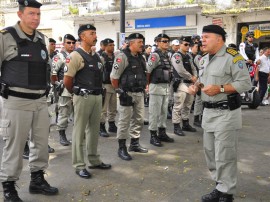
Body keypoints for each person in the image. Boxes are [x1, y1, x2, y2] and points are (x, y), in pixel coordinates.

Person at [0, 0, 59, 201]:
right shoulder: (6, 37)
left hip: (40, 101)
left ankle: (37, 180)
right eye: (31, 14)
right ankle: (9, 187)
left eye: (38, 14)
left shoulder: (42, 39)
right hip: (16, 101)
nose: (35, 18)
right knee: (14, 146)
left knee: (41, 144)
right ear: (20, 14)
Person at [189, 24, 251, 202]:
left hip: (226, 112)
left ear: (219, 38)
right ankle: (219, 185)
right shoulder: (204, 59)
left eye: (206, 37)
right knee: (210, 153)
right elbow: (203, 80)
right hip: (208, 113)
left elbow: (245, 84)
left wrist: (221, 88)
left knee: (225, 154)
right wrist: (197, 86)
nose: (203, 40)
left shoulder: (233, 57)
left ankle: (226, 192)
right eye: (202, 37)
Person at [64, 24, 111, 179]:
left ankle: (94, 160)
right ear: (82, 36)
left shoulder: (96, 55)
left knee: (93, 130)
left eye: (95, 33)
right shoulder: (76, 56)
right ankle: (79, 165)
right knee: (79, 132)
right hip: (83, 97)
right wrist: (76, 93)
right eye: (92, 33)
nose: (95, 36)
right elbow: (67, 80)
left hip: (97, 97)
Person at [110, 33, 148, 161]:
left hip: (139, 93)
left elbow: (144, 73)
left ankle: (134, 144)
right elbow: (114, 77)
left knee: (139, 119)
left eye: (142, 42)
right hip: (127, 94)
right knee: (124, 121)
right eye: (139, 42)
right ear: (131, 43)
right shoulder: (122, 56)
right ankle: (121, 148)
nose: (142, 44)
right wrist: (119, 91)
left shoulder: (140, 57)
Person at [146, 33, 174, 147]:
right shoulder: (155, 55)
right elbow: (148, 71)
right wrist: (147, 85)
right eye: (164, 41)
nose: (167, 43)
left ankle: (162, 132)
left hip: (165, 87)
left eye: (168, 41)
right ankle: (153, 135)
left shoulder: (167, 55)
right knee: (154, 112)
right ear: (157, 42)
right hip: (156, 87)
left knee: (163, 112)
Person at [51, 34, 76, 146]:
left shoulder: (77, 55)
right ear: (64, 44)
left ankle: (78, 135)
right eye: (68, 43)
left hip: (76, 88)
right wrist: (58, 84)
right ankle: (62, 135)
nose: (71, 45)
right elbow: (53, 73)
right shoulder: (59, 57)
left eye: (73, 43)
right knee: (64, 113)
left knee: (78, 113)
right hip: (65, 89)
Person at [171, 36, 198, 136]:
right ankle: (176, 126)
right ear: (180, 44)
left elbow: (193, 67)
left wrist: (195, 77)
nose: (187, 46)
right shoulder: (176, 56)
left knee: (188, 104)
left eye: (189, 45)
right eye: (185, 44)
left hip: (190, 83)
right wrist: (192, 77)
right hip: (181, 83)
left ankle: (185, 123)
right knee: (178, 105)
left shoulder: (189, 56)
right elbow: (180, 70)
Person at [99, 38, 118, 137]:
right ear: (105, 46)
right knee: (103, 108)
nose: (112, 47)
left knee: (113, 107)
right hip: (105, 85)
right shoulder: (101, 58)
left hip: (114, 85)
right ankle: (101, 126)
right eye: (110, 45)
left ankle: (112, 124)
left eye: (113, 45)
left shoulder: (115, 57)